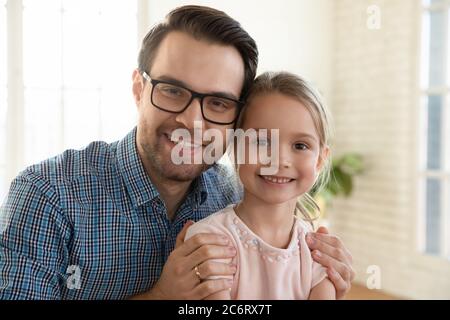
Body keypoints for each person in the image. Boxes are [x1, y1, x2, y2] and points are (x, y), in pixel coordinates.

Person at [0, 5, 354, 300]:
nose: (192, 120)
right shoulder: (48, 195)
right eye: (172, 90)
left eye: (217, 102)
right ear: (139, 89)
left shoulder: (235, 195)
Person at [185, 71, 335, 299]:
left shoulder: (317, 250)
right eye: (262, 141)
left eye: (300, 145)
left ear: (320, 160)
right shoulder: (209, 240)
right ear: (235, 148)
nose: (279, 160)